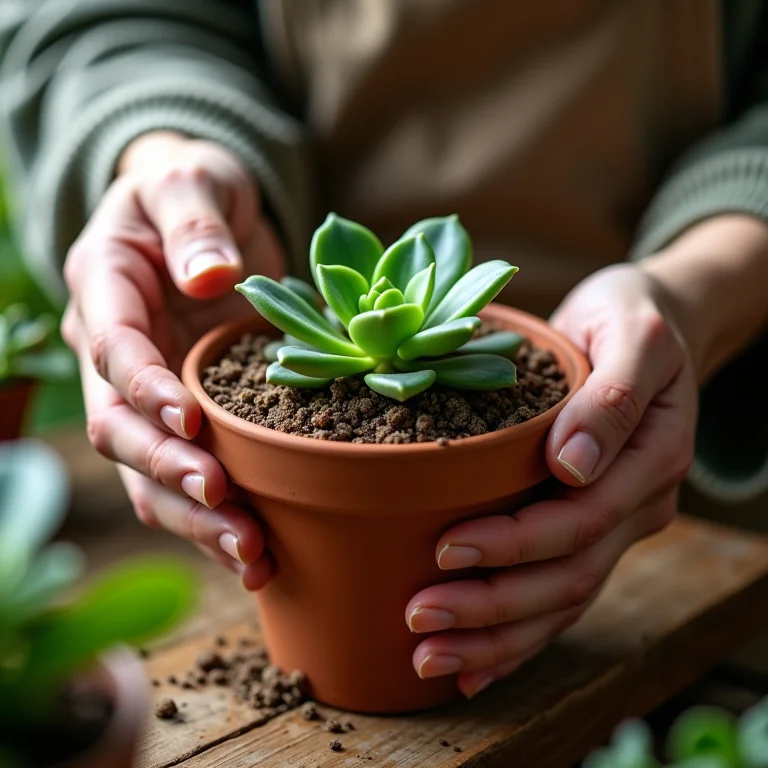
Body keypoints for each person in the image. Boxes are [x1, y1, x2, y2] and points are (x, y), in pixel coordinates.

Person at [1, 1, 767, 699]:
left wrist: (704, 288)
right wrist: (160, 146)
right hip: (258, 267)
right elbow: (103, 19)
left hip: (719, 546)